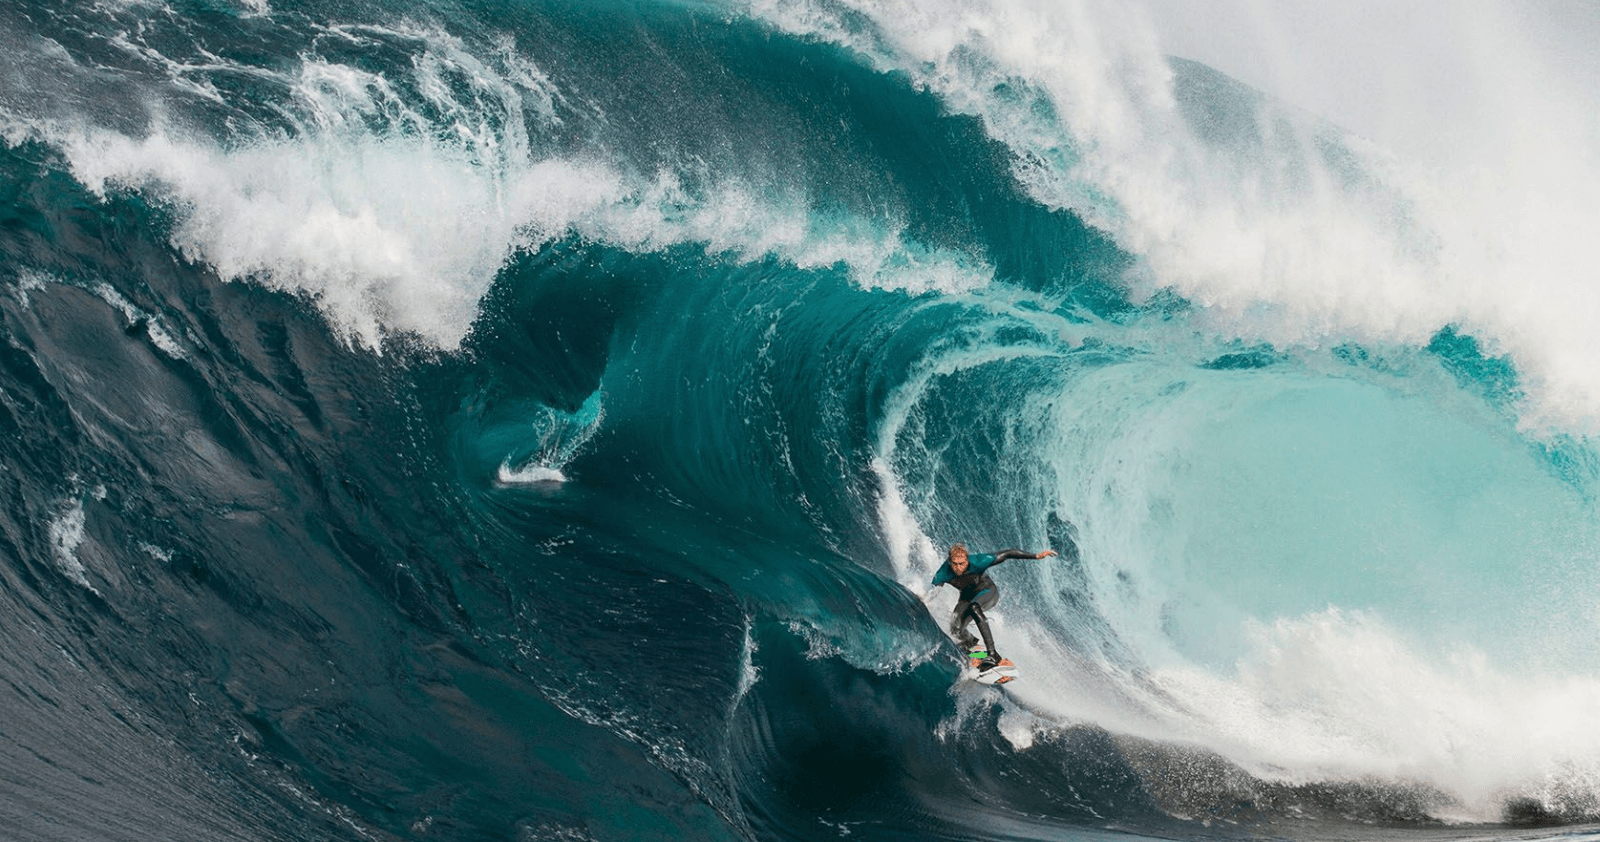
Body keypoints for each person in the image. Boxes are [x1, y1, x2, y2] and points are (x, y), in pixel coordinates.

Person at [930, 543, 1057, 672]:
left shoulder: (979, 561)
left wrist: (1036, 556)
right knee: (956, 629)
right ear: (950, 560)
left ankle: (993, 655)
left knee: (974, 607)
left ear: (967, 559)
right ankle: (976, 652)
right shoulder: (943, 572)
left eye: (962, 563)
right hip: (966, 597)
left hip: (987, 592)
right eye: (954, 564)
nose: (958, 568)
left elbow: (1008, 553)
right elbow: (932, 592)